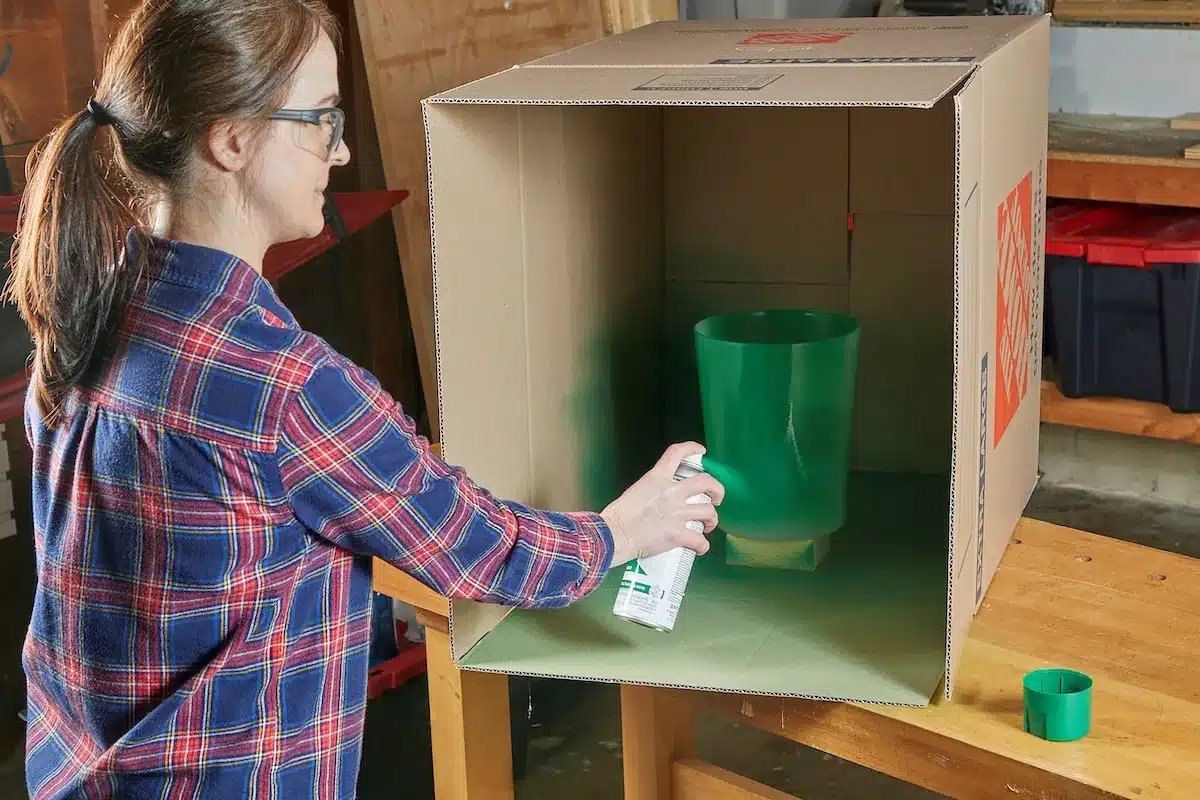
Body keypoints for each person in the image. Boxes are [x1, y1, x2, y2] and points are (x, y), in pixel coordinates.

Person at [6, 1, 724, 797]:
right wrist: (623, 530)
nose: (342, 151)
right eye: (320, 119)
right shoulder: (286, 388)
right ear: (233, 139)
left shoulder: (84, 321)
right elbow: (480, 546)